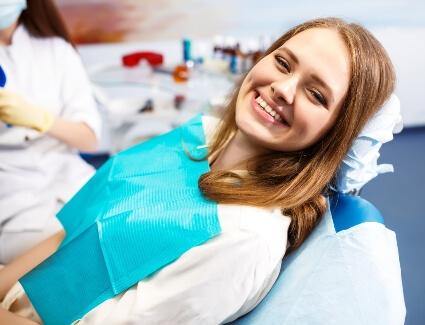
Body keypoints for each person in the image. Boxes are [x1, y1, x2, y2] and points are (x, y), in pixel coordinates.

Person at [0, 17, 396, 324]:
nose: (283, 88)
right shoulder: (199, 136)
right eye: (282, 62)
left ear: (336, 133)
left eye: (315, 94)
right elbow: (73, 230)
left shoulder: (245, 238)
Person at [0, 0, 102, 263]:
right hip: (13, 207)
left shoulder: (57, 51)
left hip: (74, 183)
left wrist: (42, 119)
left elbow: (89, 138)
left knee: (121, 223)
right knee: (79, 245)